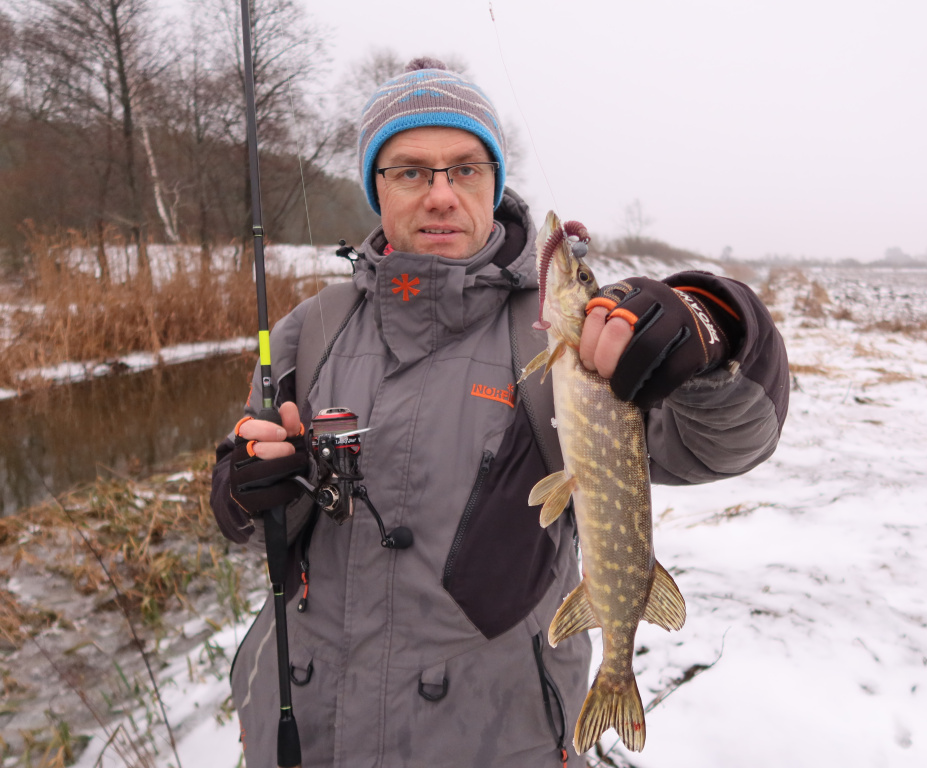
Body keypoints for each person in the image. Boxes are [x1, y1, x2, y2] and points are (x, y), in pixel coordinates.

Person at [210, 57, 789, 768]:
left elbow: (722, 444)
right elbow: (245, 490)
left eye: (466, 168)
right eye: (411, 171)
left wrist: (719, 329)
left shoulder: (567, 341)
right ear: (375, 187)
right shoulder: (313, 327)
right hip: (301, 730)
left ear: (494, 180)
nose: (441, 195)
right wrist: (243, 491)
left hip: (490, 737)